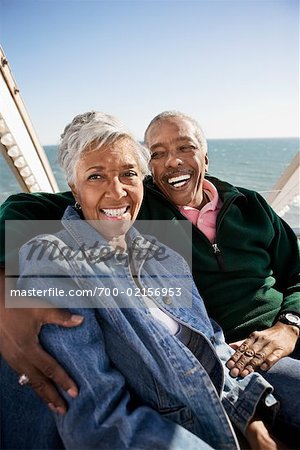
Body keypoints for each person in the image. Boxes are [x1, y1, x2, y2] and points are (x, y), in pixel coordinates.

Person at [0, 111, 285, 450]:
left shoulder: (165, 256)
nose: (117, 191)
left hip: (229, 400)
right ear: (73, 187)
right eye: (95, 176)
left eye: (128, 174)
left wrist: (253, 426)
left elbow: (211, 347)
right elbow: (99, 422)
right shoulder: (54, 263)